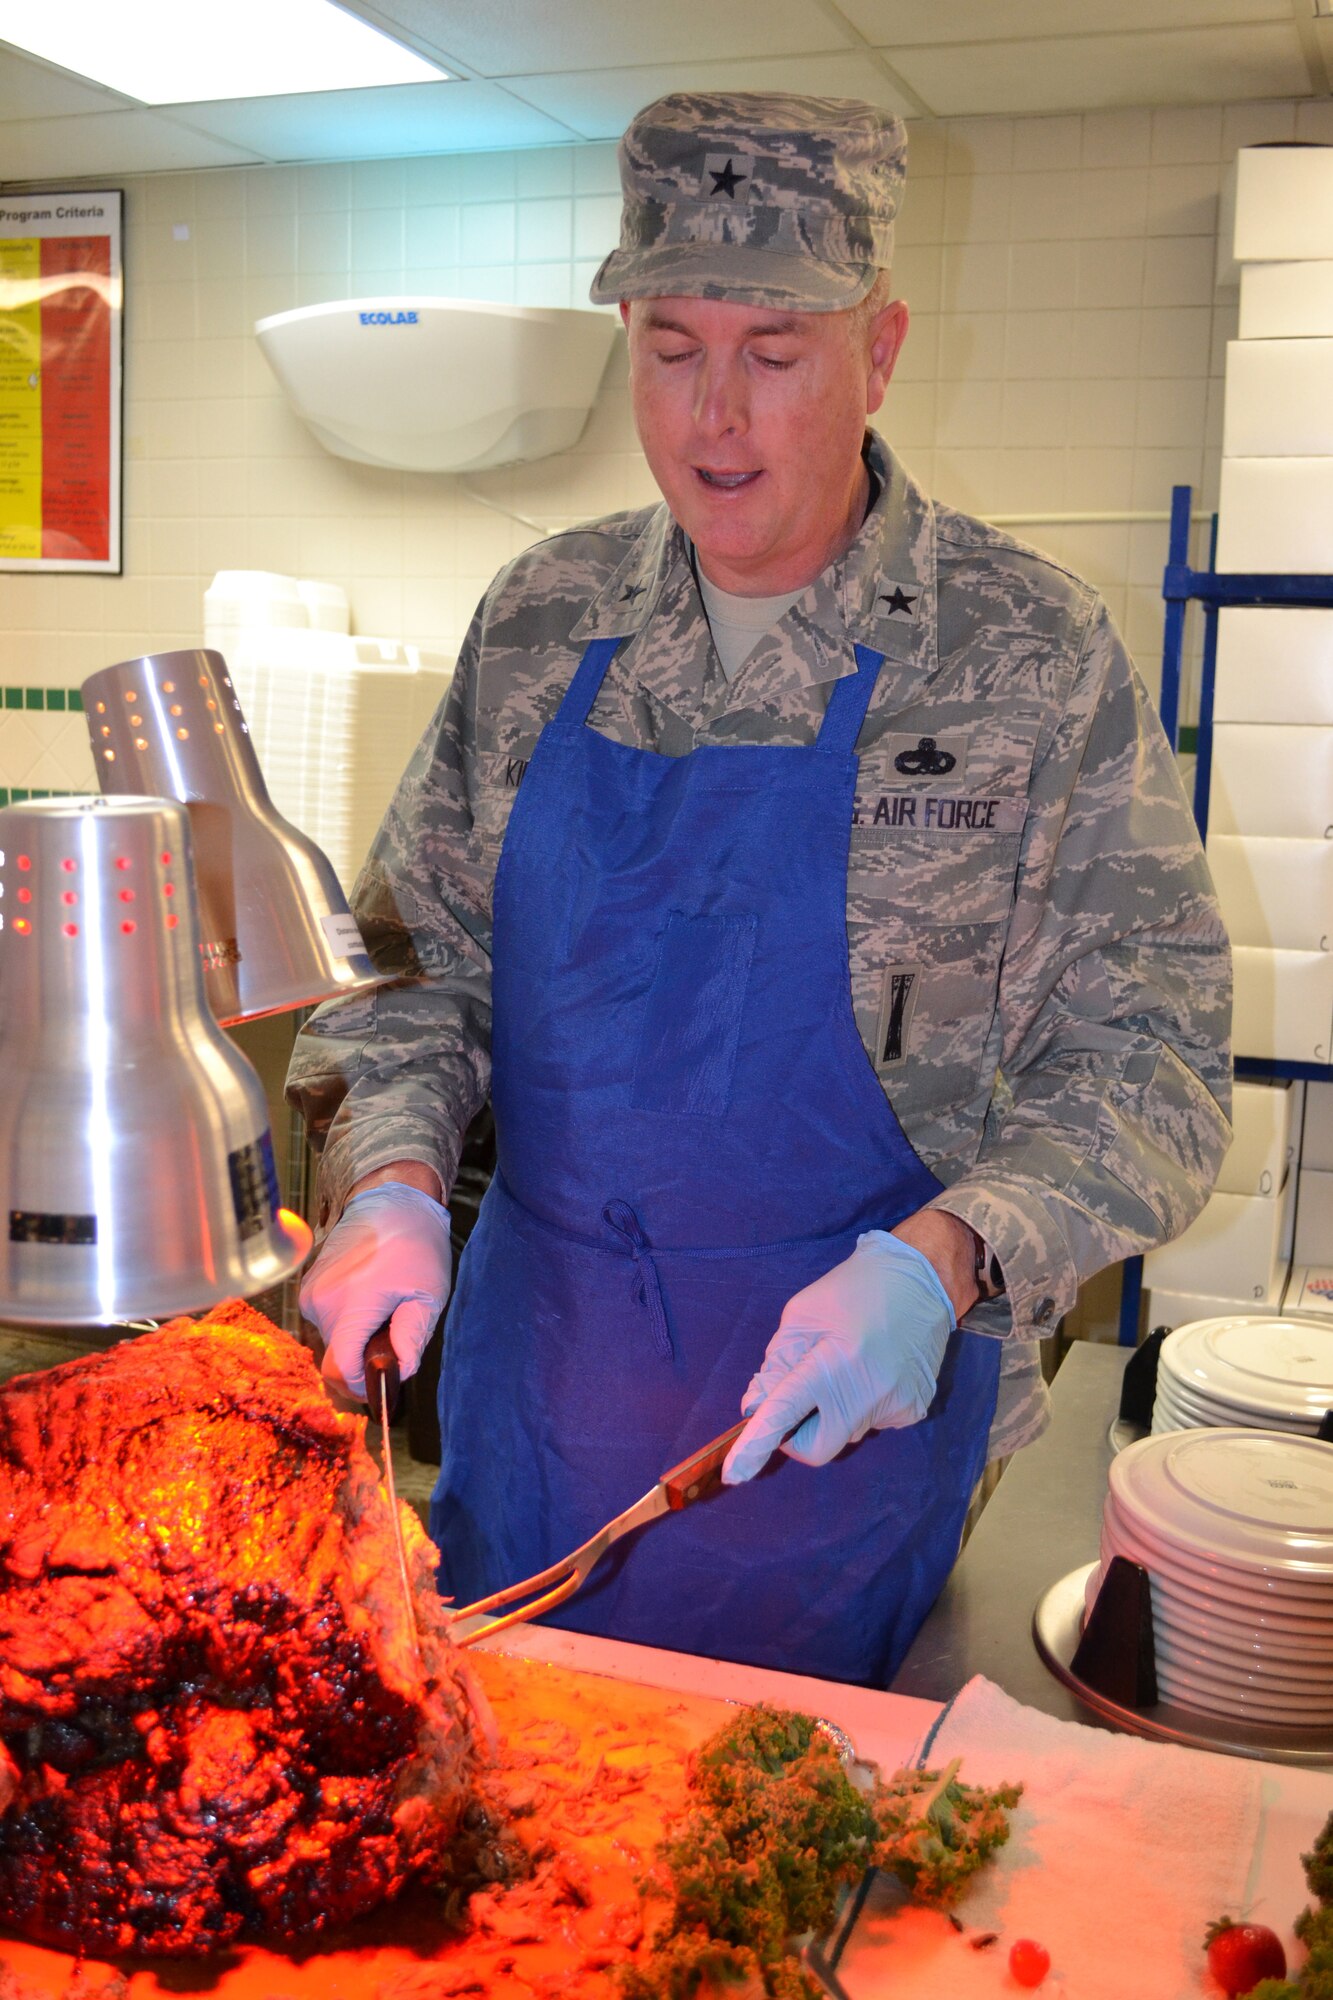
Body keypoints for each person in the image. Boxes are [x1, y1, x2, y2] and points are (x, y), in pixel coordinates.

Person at [288, 92, 1232, 1687]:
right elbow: (409, 971)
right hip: (542, 1412)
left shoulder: (1027, 656)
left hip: (849, 1439)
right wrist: (385, 1177)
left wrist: (946, 1256)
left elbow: (1151, 1056)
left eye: (775, 354)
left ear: (877, 354)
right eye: (669, 348)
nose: (713, 418)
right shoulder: (538, 620)